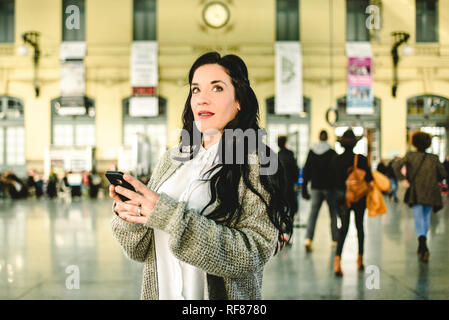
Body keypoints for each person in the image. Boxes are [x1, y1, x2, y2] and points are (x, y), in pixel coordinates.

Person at [110, 52, 294, 300]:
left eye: (217, 88)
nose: (202, 99)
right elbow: (140, 251)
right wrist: (132, 214)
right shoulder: (173, 159)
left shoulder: (256, 162)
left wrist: (166, 214)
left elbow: (252, 254)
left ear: (239, 100)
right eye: (196, 90)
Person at [393, 131, 446, 262]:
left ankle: (422, 244)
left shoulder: (410, 156)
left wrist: (403, 179)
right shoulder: (434, 157)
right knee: (426, 216)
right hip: (431, 191)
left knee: (418, 216)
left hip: (416, 191)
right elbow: (443, 173)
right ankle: (423, 243)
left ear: (415, 143)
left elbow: (396, 166)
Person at [331, 129, 373, 276]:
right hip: (359, 198)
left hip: (341, 198)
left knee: (343, 229)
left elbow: (332, 182)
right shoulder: (360, 159)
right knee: (360, 227)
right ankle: (360, 260)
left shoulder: (335, 159)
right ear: (355, 144)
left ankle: (337, 263)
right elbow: (369, 179)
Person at [301, 129, 338, 251]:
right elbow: (336, 171)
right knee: (333, 214)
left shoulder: (312, 152)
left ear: (319, 137)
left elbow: (306, 170)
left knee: (313, 214)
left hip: (315, 187)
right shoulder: (332, 152)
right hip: (330, 188)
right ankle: (335, 240)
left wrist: (304, 188)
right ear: (326, 138)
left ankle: (308, 239)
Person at [277, 135, 299, 218]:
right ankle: (290, 220)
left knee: (282, 204)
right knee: (291, 204)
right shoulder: (289, 154)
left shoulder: (277, 155)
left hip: (282, 183)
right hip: (289, 182)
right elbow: (294, 168)